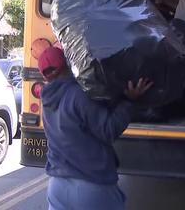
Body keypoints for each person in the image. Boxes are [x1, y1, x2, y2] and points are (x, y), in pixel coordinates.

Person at [37, 46, 153, 210]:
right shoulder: (78, 94)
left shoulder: (47, 101)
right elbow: (108, 129)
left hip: (57, 186)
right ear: (68, 63)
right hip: (90, 185)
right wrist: (129, 101)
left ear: (44, 75)